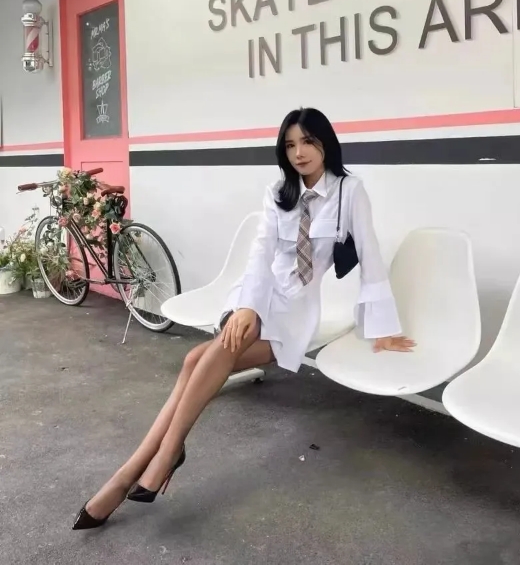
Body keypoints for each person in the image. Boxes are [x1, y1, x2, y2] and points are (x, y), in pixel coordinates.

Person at [73, 107, 415, 530]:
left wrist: (383, 328)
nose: (299, 152)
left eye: (308, 142)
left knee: (196, 360)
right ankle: (155, 460)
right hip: (256, 298)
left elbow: (372, 257)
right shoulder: (278, 192)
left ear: (325, 143)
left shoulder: (350, 191)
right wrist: (247, 307)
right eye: (290, 145)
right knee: (203, 355)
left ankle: (140, 467)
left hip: (296, 312)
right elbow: (260, 254)